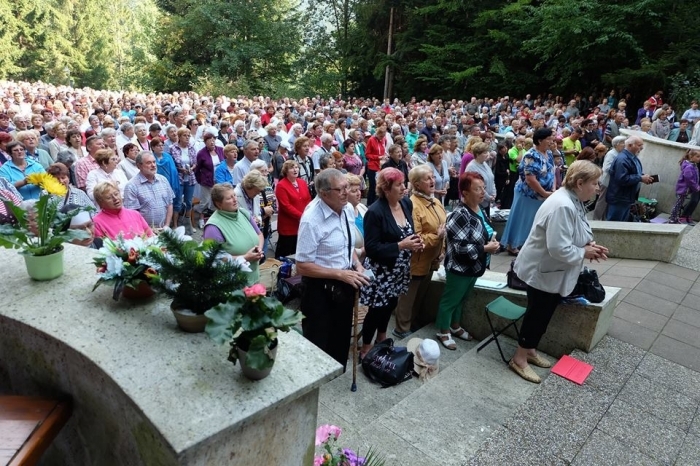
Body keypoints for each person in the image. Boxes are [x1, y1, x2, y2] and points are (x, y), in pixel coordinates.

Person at [511, 161, 609, 383]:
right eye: (594, 183)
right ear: (579, 182)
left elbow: (577, 230)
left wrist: (589, 245)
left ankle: (530, 350)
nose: (597, 188)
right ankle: (519, 358)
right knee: (537, 315)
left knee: (544, 314)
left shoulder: (571, 200)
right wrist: (584, 252)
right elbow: (558, 247)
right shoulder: (563, 205)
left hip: (550, 271)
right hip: (543, 271)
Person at [295, 169, 371, 370]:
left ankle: (336, 369)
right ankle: (316, 377)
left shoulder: (345, 208)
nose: (347, 192)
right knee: (318, 337)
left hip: (345, 282)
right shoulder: (312, 219)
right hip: (319, 287)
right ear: (324, 193)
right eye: (341, 189)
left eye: (348, 187)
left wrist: (356, 263)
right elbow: (301, 265)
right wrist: (339, 273)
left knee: (341, 333)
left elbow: (346, 244)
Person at [359, 168, 423, 359]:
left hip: (400, 269)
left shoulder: (405, 203)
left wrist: (416, 242)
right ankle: (366, 347)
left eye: (404, 183)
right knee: (377, 309)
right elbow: (371, 248)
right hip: (382, 271)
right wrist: (401, 245)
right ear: (386, 189)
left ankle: (382, 337)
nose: (404, 188)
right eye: (399, 185)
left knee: (391, 304)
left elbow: (406, 231)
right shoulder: (375, 212)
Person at [435, 172, 499, 350]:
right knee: (450, 300)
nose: (482, 192)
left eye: (483, 188)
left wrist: (491, 242)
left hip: (474, 267)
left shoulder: (480, 209)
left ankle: (455, 326)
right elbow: (458, 247)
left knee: (462, 298)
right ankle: (443, 330)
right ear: (465, 192)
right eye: (477, 189)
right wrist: (485, 248)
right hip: (459, 267)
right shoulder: (460, 214)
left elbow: (483, 233)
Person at [393, 165, 446, 339]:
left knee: (420, 295)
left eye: (432, 177)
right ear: (416, 184)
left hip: (432, 259)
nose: (432, 181)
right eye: (427, 178)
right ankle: (401, 328)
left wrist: (442, 248)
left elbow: (443, 228)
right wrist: (437, 238)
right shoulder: (413, 205)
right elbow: (416, 237)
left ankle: (411, 323)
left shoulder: (435, 201)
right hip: (416, 260)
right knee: (408, 297)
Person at [500, 128, 555, 255]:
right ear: (540, 140)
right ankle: (512, 245)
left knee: (536, 220)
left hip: (544, 193)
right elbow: (530, 179)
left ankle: (531, 244)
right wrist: (544, 193)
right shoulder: (531, 155)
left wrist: (552, 189)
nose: (551, 141)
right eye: (548, 139)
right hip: (528, 194)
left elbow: (552, 171)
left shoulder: (549, 153)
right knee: (521, 218)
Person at [203, 183, 264, 285]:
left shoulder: (243, 213)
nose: (235, 199)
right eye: (229, 198)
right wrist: (245, 257)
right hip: (233, 284)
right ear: (219, 204)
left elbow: (259, 234)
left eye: (234, 195)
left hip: (254, 276)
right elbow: (214, 258)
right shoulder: (213, 227)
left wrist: (259, 250)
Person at [605, 136, 654, 221]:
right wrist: (640, 178)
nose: (642, 148)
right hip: (619, 198)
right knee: (614, 224)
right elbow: (622, 179)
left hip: (626, 198)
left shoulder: (633, 157)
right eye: (639, 145)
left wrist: (644, 177)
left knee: (622, 223)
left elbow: (634, 173)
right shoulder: (622, 159)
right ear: (630, 145)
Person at [123, 152, 175, 229]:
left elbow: (170, 204)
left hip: (164, 229)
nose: (153, 165)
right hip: (145, 233)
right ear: (139, 166)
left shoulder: (163, 180)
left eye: (154, 162)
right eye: (148, 163)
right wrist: (147, 232)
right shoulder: (131, 186)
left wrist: (167, 225)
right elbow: (132, 214)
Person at [275, 159, 311, 258]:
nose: (295, 170)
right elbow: (286, 206)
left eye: (296, 167)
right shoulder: (281, 185)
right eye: (292, 168)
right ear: (286, 171)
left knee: (299, 252)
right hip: (289, 226)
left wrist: (308, 213)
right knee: (285, 253)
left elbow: (308, 199)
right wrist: (302, 216)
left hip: (302, 223)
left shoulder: (302, 183)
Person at [151, 137, 181, 228]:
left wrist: (174, 184)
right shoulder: (151, 158)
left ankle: (175, 224)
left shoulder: (168, 156)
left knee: (175, 204)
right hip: (158, 185)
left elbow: (174, 171)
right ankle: (163, 225)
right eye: (158, 145)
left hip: (171, 183)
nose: (161, 147)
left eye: (162, 145)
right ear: (152, 147)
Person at [593, 135, 626, 220]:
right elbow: (607, 168)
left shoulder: (619, 153)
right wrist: (619, 170)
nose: (624, 145)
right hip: (607, 182)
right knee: (602, 201)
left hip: (612, 183)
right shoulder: (612, 154)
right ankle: (596, 219)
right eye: (622, 143)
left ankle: (604, 219)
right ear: (617, 144)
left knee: (607, 202)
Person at [669, 149, 700, 225]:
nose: (699, 158)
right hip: (683, 189)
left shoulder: (693, 165)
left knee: (679, 204)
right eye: (698, 156)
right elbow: (689, 179)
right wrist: (696, 187)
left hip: (685, 189)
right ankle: (673, 218)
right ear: (691, 157)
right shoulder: (689, 167)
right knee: (678, 204)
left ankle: (675, 218)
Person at [465, 142, 496, 216]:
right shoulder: (471, 167)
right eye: (485, 152)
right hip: (478, 203)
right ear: (478, 154)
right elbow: (476, 187)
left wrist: (494, 193)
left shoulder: (485, 164)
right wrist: (488, 197)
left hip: (487, 202)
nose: (487, 154)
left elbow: (491, 179)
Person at [365, 125, 387, 206]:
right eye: (380, 136)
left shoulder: (383, 139)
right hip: (373, 166)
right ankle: (370, 204)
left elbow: (383, 150)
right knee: (373, 186)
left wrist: (384, 156)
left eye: (383, 136)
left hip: (381, 166)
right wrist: (377, 157)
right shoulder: (371, 140)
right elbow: (367, 154)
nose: (382, 138)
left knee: (379, 186)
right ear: (377, 134)